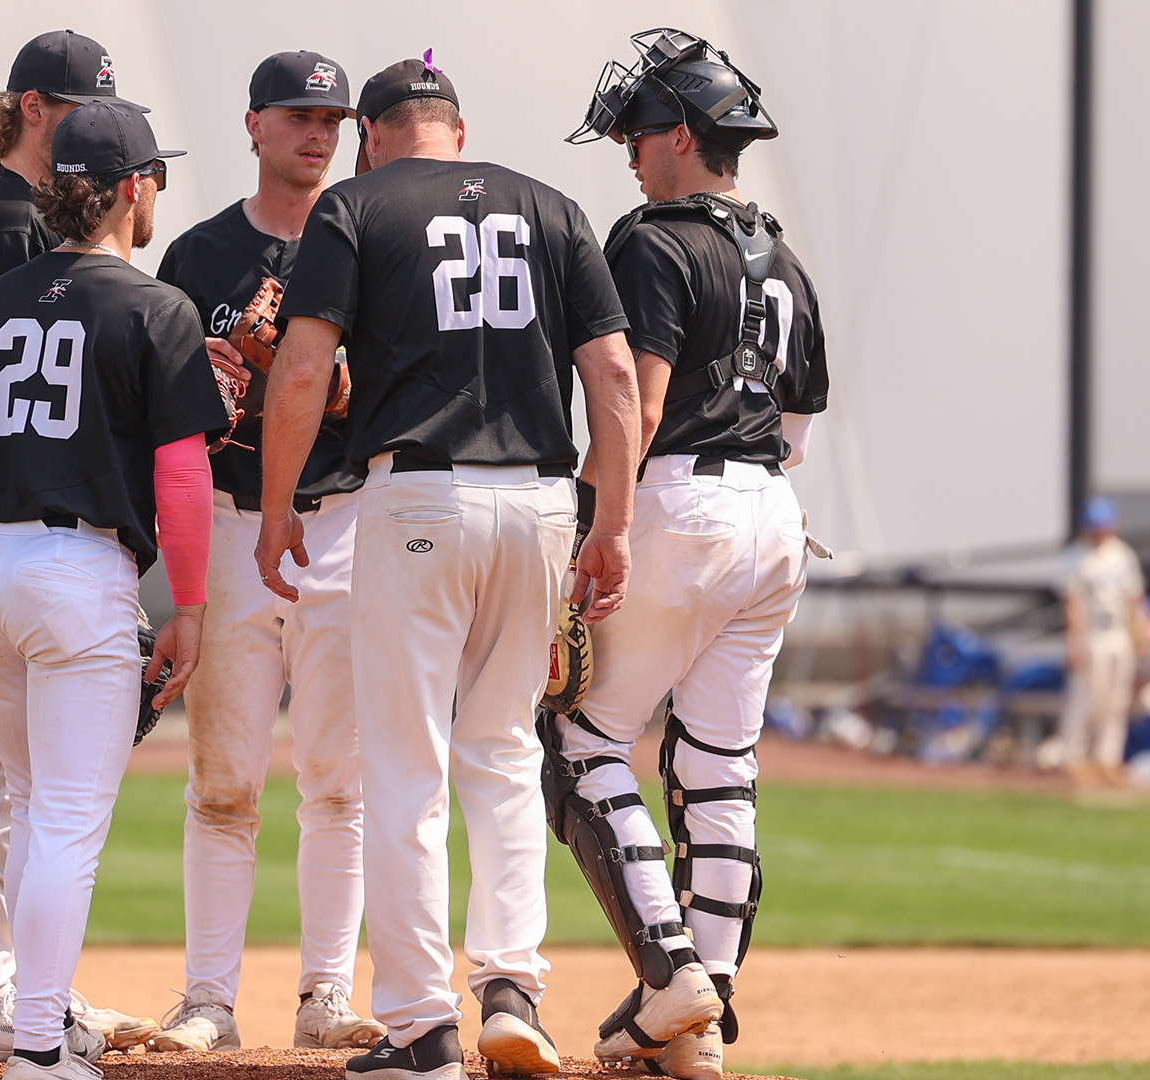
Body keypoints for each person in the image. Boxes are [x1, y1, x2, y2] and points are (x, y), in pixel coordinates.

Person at [256, 55, 640, 1080]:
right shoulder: (552, 207)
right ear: (457, 131)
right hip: (540, 501)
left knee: (406, 764)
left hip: (418, 495)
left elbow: (300, 370)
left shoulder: (355, 205)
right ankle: (513, 990)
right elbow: (609, 374)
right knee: (507, 751)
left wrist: (282, 505)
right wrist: (614, 523)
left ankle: (422, 1027)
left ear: (375, 134)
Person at [555, 29, 827, 1079]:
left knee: (583, 744)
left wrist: (598, 525)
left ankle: (674, 980)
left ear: (680, 134)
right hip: (775, 517)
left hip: (679, 505)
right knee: (720, 764)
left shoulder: (652, 238)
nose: (628, 149)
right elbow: (801, 424)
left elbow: (643, 402)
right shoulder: (784, 254)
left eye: (636, 131)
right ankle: (702, 1016)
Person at [0, 100, 228, 1080]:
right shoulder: (155, 307)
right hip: (75, 572)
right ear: (135, 187)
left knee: (30, 807)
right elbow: (184, 477)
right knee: (66, 820)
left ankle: (39, 1019)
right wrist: (188, 606)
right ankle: (37, 1050)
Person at [146, 50, 383, 1055]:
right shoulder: (198, 257)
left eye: (331, 115)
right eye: (297, 114)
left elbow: (414, 391)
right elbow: (151, 410)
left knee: (340, 779)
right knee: (225, 783)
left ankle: (327, 994)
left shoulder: (375, 240)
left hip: (348, 522)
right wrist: (214, 377)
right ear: (254, 125)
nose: (318, 131)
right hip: (236, 528)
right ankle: (209, 999)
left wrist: (342, 383)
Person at [0, 32, 160, 1071]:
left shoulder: (11, 224)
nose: (86, 125)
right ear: (33, 107)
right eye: (72, 107)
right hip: (6, 521)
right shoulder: (6, 230)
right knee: (1, 785)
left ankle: (15, 998)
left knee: (8, 788)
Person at [1058, 496, 1147, 781]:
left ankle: (1108, 759)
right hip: (1091, 635)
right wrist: (1075, 642)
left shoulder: (1121, 555)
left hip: (1118, 634)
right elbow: (1073, 604)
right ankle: (1072, 757)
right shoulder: (1076, 557)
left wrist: (1140, 631)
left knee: (1116, 700)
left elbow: (1133, 598)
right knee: (1086, 698)